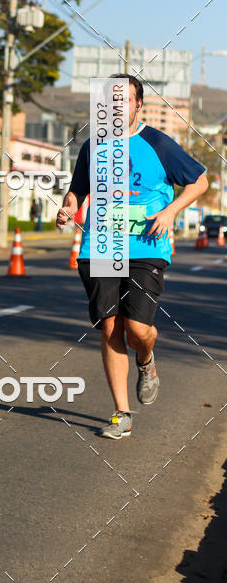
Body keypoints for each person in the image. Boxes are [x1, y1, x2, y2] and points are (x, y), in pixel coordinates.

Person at [57, 74, 208, 439]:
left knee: (138, 330)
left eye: (123, 100)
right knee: (110, 325)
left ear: (139, 104)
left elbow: (200, 180)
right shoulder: (93, 146)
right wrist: (68, 207)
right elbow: (78, 189)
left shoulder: (157, 142)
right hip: (102, 245)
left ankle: (146, 358)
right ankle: (121, 413)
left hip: (146, 245)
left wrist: (171, 212)